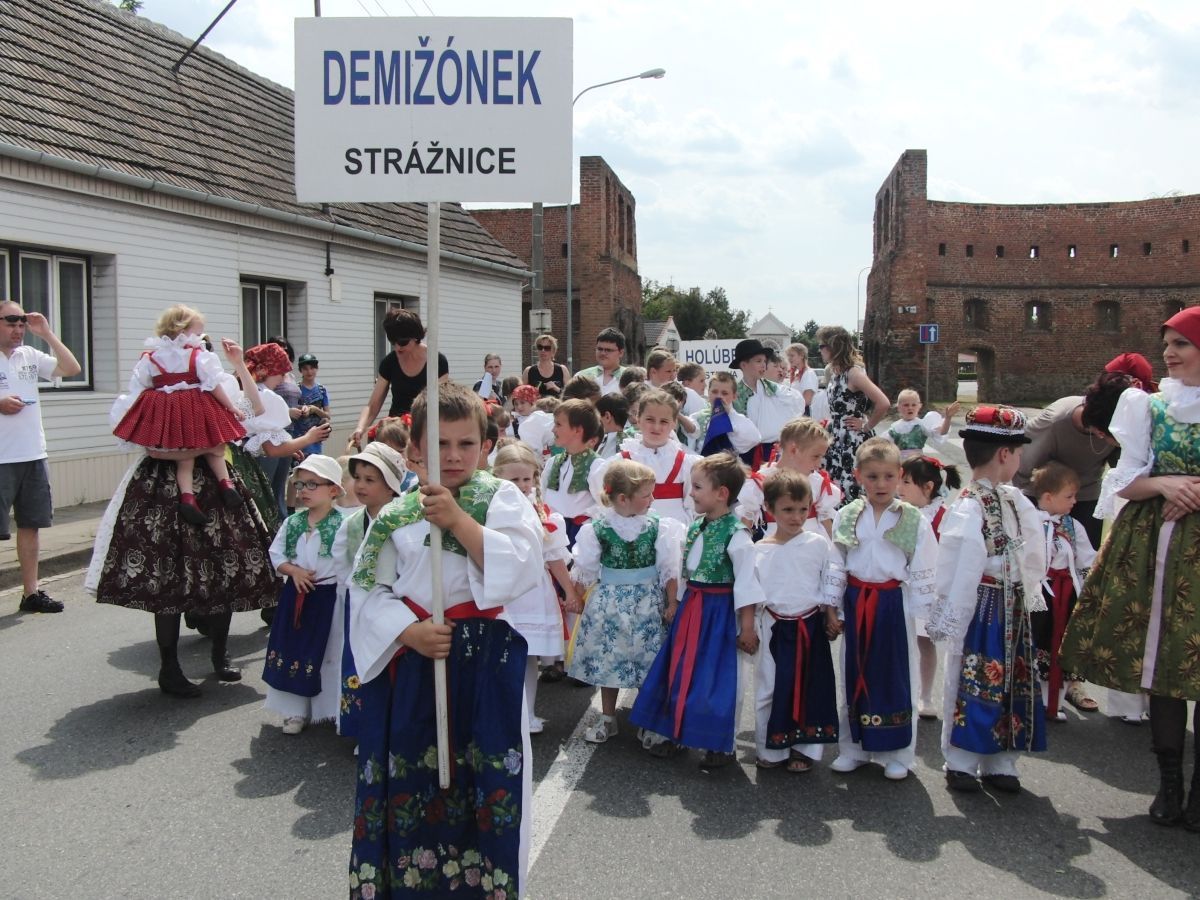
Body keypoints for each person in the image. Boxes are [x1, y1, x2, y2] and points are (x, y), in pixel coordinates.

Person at [346, 382, 543, 898]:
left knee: (486, 786)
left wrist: (458, 520)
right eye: (439, 446)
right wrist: (407, 631)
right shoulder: (393, 516)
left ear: (485, 446)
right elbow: (366, 591)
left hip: (481, 667)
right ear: (414, 452)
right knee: (412, 783)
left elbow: (522, 564)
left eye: (466, 444)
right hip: (413, 663)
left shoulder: (499, 498)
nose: (453, 456)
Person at [1062, 307, 1200, 829]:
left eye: (1182, 343)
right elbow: (1125, 481)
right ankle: (1169, 784)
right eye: (1167, 342)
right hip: (1156, 543)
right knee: (1161, 664)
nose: (1170, 352)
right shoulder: (1150, 407)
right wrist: (1165, 484)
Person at [87, 339, 281, 697]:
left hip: (216, 489)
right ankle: (169, 667)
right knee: (168, 578)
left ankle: (219, 656)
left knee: (226, 567)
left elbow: (253, 409)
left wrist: (239, 364)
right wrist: (204, 448)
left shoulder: (217, 387)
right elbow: (150, 446)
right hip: (162, 487)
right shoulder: (151, 392)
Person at [927, 406, 1048, 793]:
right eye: (1018, 452)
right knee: (971, 675)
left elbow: (1034, 551)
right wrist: (954, 613)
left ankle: (1001, 759)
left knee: (1011, 679)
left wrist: (1028, 589)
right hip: (983, 605)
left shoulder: (1015, 500)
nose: (1020, 459)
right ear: (1003, 454)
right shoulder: (968, 505)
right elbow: (958, 565)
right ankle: (961, 759)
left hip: (1011, 603)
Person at [630, 453, 765, 768]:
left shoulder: (737, 534)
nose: (691, 493)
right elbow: (686, 569)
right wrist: (676, 602)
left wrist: (746, 627)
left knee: (718, 678)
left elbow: (747, 584)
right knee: (679, 670)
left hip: (719, 613)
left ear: (722, 494)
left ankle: (719, 743)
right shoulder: (696, 527)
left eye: (697, 487)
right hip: (694, 608)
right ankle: (674, 732)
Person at [827, 438, 939, 781]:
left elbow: (925, 562)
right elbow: (836, 563)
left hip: (893, 604)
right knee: (854, 671)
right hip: (858, 600)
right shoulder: (848, 515)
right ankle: (855, 748)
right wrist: (833, 607)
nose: (881, 484)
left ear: (900, 475)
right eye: (873, 477)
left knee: (894, 674)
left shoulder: (911, 518)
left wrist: (925, 611)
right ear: (859, 476)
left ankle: (898, 753)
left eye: (889, 477)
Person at [568, 459, 684, 744]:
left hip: (647, 602)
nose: (652, 499)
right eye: (646, 494)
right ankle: (608, 718)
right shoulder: (597, 528)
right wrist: (575, 596)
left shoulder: (658, 526)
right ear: (623, 498)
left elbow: (669, 568)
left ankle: (648, 718)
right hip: (609, 603)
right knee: (610, 660)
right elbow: (585, 568)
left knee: (649, 661)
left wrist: (672, 602)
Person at [110, 305, 246, 526]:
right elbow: (213, 385)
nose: (200, 336)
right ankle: (225, 483)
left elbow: (142, 385)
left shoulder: (151, 357)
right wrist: (231, 407)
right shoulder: (198, 355)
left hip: (168, 413)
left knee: (185, 458)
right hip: (196, 408)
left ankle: (187, 496)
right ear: (183, 330)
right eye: (197, 331)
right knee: (216, 446)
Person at [752, 470, 841, 773]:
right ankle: (769, 748)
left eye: (803, 509)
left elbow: (829, 582)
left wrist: (830, 615)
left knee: (810, 686)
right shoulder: (759, 550)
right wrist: (749, 628)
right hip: (774, 627)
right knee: (769, 688)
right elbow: (752, 594)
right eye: (788, 509)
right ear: (770, 509)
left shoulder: (818, 543)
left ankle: (803, 749)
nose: (796, 517)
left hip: (810, 626)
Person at [0, 300, 81, 613]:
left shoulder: (30, 355)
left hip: (32, 453)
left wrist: (46, 333)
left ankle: (30, 593)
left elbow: (71, 368)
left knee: (30, 524)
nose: (18, 330)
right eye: (11, 323)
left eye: (21, 324)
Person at [492, 442, 577, 734]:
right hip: (502, 590)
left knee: (528, 656)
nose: (521, 485)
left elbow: (555, 559)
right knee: (500, 657)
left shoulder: (545, 515)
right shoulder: (487, 511)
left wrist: (570, 590)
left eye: (526, 478)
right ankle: (501, 716)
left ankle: (526, 715)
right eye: (513, 479)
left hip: (533, 592)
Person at [263, 455, 346, 735]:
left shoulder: (343, 524)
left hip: (329, 599)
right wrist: (294, 572)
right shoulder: (293, 523)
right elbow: (276, 555)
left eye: (313, 484)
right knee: (294, 650)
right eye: (300, 485)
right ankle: (294, 711)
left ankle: (334, 710)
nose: (304, 491)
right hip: (296, 596)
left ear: (333, 489)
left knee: (330, 651)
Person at [331, 441, 408, 741]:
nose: (360, 486)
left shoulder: (403, 520)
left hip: (395, 605)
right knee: (358, 664)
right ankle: (361, 728)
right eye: (357, 478)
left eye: (370, 479)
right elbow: (341, 563)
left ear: (390, 487)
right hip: (359, 604)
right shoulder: (352, 524)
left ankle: (390, 727)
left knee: (391, 666)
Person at [1028, 461, 1096, 723]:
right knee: (1035, 640)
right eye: (1069, 496)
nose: (1074, 501)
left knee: (1058, 643)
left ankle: (1052, 699)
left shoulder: (1072, 526)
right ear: (1048, 497)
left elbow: (1086, 559)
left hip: (1064, 594)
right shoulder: (1030, 522)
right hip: (1038, 592)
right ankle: (1030, 696)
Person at [897, 455, 963, 719]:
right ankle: (902, 692)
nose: (900, 487)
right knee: (901, 642)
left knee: (926, 643)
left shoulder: (945, 517)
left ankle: (925, 695)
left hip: (930, 588)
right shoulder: (899, 511)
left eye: (907, 482)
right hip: (902, 585)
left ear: (928, 488)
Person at [351, 309, 449, 447]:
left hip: (425, 430)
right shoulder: (389, 362)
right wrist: (360, 428)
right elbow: (373, 405)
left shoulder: (437, 361)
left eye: (402, 342)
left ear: (415, 336)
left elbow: (440, 404)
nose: (397, 347)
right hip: (396, 432)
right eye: (393, 342)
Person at [817, 326, 890, 504]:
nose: (820, 350)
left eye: (821, 346)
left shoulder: (853, 373)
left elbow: (883, 402)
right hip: (836, 437)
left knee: (852, 487)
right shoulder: (836, 373)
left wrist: (866, 426)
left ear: (833, 347)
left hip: (851, 439)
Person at [742, 417, 841, 541]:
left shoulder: (816, 482)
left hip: (813, 550)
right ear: (793, 450)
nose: (819, 464)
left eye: (821, 457)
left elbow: (827, 523)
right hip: (778, 547)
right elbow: (746, 523)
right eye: (815, 456)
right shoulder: (762, 481)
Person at [617, 389, 700, 527]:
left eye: (664, 421)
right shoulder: (621, 462)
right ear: (638, 418)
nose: (656, 427)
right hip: (634, 536)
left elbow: (693, 508)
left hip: (676, 538)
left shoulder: (687, 464)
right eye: (650, 419)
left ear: (674, 423)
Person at [731, 339, 805, 471]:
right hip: (746, 454)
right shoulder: (735, 393)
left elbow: (797, 402)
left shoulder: (773, 389)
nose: (763, 366)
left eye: (765, 361)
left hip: (773, 451)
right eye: (758, 361)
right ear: (743, 365)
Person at [688, 371, 761, 459]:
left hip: (728, 468)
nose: (719, 396)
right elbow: (690, 447)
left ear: (734, 396)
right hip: (702, 465)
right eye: (714, 392)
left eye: (724, 393)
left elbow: (754, 439)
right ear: (708, 392)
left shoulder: (738, 419)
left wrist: (730, 414)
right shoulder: (697, 417)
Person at [884, 389, 959, 461]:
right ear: (898, 407)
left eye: (914, 405)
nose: (910, 408)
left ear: (919, 406)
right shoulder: (895, 427)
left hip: (918, 463)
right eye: (906, 405)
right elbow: (883, 444)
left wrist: (948, 418)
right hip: (900, 463)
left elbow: (942, 432)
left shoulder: (922, 424)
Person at [292, 353, 331, 457]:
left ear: (317, 368)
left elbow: (327, 415)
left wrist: (315, 410)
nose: (309, 372)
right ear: (300, 371)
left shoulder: (322, 390)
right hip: (298, 441)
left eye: (312, 368)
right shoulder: (295, 389)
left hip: (316, 441)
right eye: (305, 368)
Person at [574, 327, 627, 397]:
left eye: (608, 350)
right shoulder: (582, 376)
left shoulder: (630, 377)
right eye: (600, 349)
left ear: (621, 353)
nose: (603, 353)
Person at [523, 332, 570, 398]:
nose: (543, 350)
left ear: (553, 351)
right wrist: (532, 395)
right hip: (536, 407)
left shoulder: (562, 369)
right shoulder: (529, 371)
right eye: (540, 347)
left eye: (547, 348)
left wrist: (556, 388)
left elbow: (570, 396)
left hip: (557, 407)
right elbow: (522, 395)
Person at [785, 343, 819, 415]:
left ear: (802, 356)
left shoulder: (808, 374)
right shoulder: (796, 373)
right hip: (796, 412)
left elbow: (807, 401)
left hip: (802, 414)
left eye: (792, 355)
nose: (789, 358)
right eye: (788, 356)